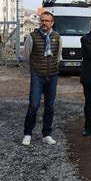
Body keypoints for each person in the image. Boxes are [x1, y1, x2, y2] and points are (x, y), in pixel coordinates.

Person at [22, 11, 62, 146]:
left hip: (52, 76)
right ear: (40, 21)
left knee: (50, 107)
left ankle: (47, 134)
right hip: (37, 76)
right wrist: (35, 70)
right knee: (34, 105)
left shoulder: (57, 37)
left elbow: (58, 56)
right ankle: (27, 133)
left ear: (52, 23)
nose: (44, 23)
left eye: (47, 21)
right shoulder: (32, 37)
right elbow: (27, 56)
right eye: (42, 20)